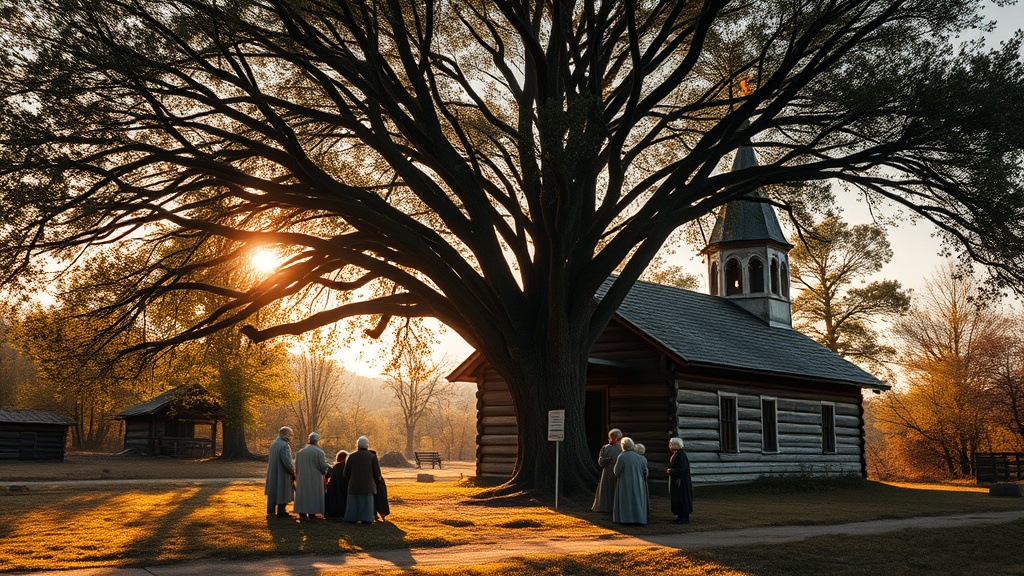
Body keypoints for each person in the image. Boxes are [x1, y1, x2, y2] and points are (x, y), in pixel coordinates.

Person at [343, 435, 383, 523]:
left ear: (357, 445)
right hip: (367, 485)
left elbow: (345, 473)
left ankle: (352, 518)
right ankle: (367, 519)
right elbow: (377, 473)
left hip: (354, 485)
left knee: (353, 504)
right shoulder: (372, 457)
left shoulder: (351, 456)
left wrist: (348, 482)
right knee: (367, 504)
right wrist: (376, 482)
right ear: (367, 445)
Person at [294, 432, 331, 519]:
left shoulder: (300, 452)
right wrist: (326, 471)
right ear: (317, 441)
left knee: (303, 494)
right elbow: (322, 466)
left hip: (302, 477)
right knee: (313, 494)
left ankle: (302, 512)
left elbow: (296, 466)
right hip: (315, 477)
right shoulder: (319, 452)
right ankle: (312, 512)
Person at [612, 436, 648, 525]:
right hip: (638, 483)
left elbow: (616, 472)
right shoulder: (640, 457)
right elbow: (646, 472)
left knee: (626, 500)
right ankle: (639, 519)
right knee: (638, 500)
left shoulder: (622, 457)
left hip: (625, 483)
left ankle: (626, 519)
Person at [265, 426, 297, 518]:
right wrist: (292, 471)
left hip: (273, 471)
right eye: (290, 435)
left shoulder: (274, 444)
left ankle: (270, 510)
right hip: (282, 472)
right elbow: (286, 461)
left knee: (273, 490)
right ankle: (281, 511)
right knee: (283, 490)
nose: (291, 437)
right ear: (285, 435)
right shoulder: (284, 445)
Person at [591, 428, 623, 513]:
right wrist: (608, 460)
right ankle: (605, 507)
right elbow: (600, 461)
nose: (613, 438)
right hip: (607, 472)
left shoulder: (621, 448)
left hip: (617, 472)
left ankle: (616, 508)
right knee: (606, 490)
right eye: (611, 436)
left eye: (615, 436)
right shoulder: (605, 448)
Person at [667, 436, 694, 524]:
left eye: (671, 444)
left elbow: (682, 468)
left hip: (681, 482)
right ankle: (680, 516)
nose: (670, 445)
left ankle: (684, 518)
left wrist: (672, 471)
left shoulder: (681, 454)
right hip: (678, 481)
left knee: (682, 498)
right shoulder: (677, 453)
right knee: (678, 498)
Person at [325, 450, 349, 518]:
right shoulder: (345, 467)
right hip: (343, 489)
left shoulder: (336, 467)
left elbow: (327, 476)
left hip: (333, 489)